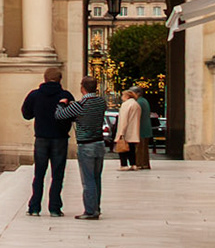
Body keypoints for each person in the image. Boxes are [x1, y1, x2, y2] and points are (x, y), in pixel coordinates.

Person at [20, 65, 73, 216]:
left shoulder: (35, 95)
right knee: (57, 174)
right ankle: (55, 207)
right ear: (60, 79)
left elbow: (26, 114)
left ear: (44, 78)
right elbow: (72, 115)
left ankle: (35, 206)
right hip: (60, 138)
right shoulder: (66, 95)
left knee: (39, 174)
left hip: (42, 138)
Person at [55, 76, 108, 220]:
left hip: (86, 144)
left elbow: (59, 115)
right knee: (97, 178)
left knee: (88, 179)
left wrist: (62, 104)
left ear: (82, 87)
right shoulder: (101, 102)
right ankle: (96, 206)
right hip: (99, 143)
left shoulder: (80, 105)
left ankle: (90, 211)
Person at [114, 86, 143, 171]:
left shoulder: (126, 105)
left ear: (127, 96)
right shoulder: (136, 104)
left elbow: (123, 119)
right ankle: (133, 164)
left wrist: (121, 133)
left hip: (126, 131)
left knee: (122, 149)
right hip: (133, 130)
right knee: (132, 149)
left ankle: (124, 165)